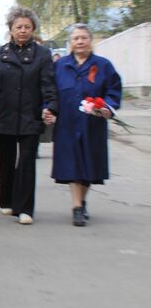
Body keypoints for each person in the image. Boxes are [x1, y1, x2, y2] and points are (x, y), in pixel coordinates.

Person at [51, 24, 122, 226]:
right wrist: (49, 109)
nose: (80, 42)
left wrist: (107, 106)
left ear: (91, 41)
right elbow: (51, 91)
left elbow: (113, 90)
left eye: (83, 38)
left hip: (93, 123)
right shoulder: (60, 65)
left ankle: (81, 202)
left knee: (89, 165)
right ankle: (77, 207)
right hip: (67, 122)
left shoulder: (103, 65)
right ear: (70, 42)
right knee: (73, 164)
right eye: (75, 38)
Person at [0, 6, 57, 225]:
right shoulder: (0, 53)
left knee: (28, 161)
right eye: (18, 27)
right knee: (7, 159)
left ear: (33, 29)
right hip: (6, 114)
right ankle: (8, 201)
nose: (23, 30)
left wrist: (50, 107)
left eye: (27, 27)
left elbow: (49, 84)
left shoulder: (43, 54)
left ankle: (25, 208)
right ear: (10, 29)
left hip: (31, 115)